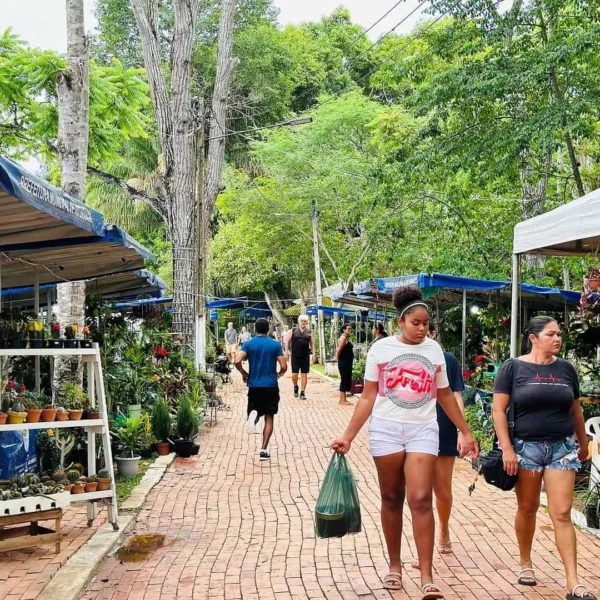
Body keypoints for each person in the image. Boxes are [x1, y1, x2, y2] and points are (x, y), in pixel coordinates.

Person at [330, 286, 478, 599]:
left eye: (426, 324)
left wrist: (466, 431)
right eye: (416, 323)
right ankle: (394, 566)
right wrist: (348, 435)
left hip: (423, 429)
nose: (422, 329)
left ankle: (427, 574)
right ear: (401, 321)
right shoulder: (381, 349)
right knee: (392, 497)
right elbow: (368, 397)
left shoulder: (434, 351)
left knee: (422, 498)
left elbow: (444, 395)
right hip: (385, 429)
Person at [493, 316, 595, 600]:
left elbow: (576, 410)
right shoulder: (513, 368)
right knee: (528, 507)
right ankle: (526, 562)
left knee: (561, 513)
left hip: (562, 448)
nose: (558, 338)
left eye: (559, 334)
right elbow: (498, 410)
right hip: (526, 448)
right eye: (551, 334)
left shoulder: (566, 370)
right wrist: (508, 449)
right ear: (533, 338)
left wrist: (583, 442)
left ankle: (573, 582)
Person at [412, 322, 465, 569]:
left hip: (443, 425)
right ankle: (423, 549)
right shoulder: (406, 357)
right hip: (414, 427)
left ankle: (443, 528)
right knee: (419, 493)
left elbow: (455, 394)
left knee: (442, 489)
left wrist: (463, 431)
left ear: (433, 333)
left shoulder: (447, 359)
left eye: (428, 330)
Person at [235, 318, 287, 461]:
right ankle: (264, 450)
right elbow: (284, 366)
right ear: (268, 330)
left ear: (255, 330)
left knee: (255, 409)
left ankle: (254, 415)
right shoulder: (275, 344)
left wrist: (244, 373)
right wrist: (279, 374)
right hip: (270, 385)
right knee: (269, 417)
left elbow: (236, 360)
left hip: (254, 385)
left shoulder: (248, 344)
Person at [285, 315, 315, 400]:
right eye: (302, 321)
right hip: (295, 355)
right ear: (299, 322)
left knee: (304, 374)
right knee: (294, 374)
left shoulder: (309, 332)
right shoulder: (293, 330)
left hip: (305, 356)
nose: (303, 322)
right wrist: (286, 352)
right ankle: (295, 386)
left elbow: (312, 344)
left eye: (305, 321)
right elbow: (287, 342)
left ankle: (302, 392)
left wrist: (314, 354)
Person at [336, 324, 354, 406]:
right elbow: (339, 350)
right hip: (344, 362)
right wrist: (337, 357)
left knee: (346, 379)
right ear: (344, 330)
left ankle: (344, 398)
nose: (350, 330)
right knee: (344, 379)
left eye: (351, 329)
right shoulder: (343, 338)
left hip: (347, 362)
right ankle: (342, 399)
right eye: (348, 329)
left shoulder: (346, 338)